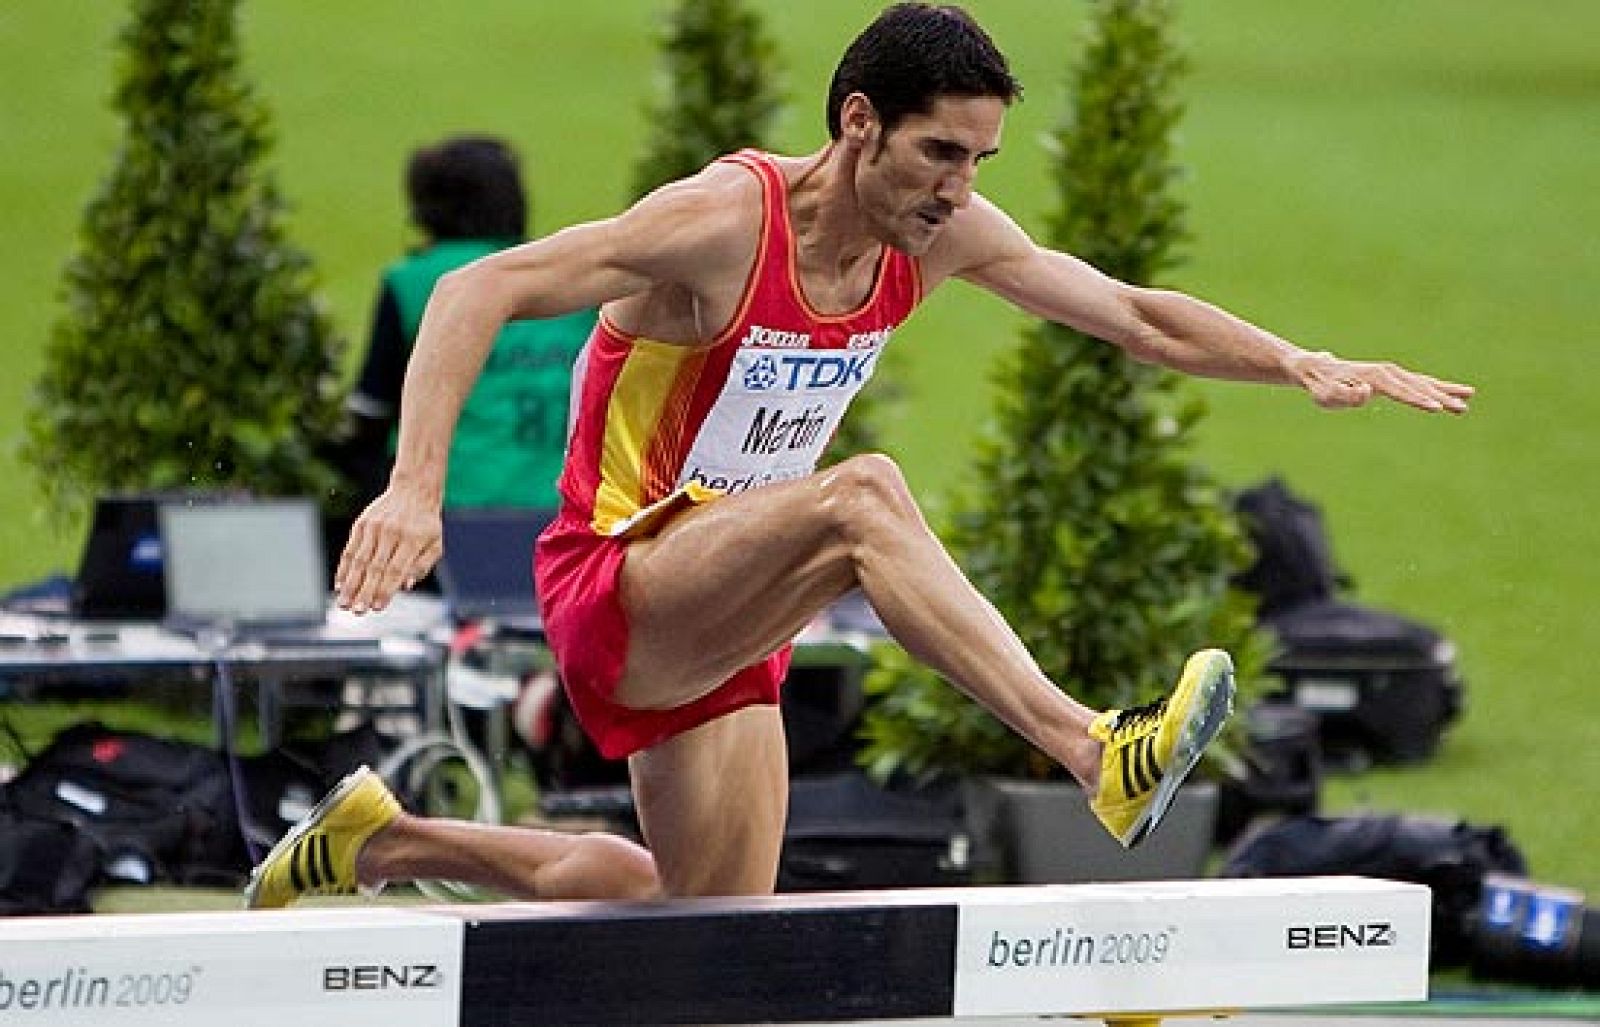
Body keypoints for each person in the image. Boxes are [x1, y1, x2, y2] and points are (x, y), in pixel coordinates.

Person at [246, 3, 1473, 907]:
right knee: (864, 496)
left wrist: (1300, 359)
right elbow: (478, 286)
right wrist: (414, 488)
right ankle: (1094, 748)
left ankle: (386, 841)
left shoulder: (936, 236)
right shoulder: (723, 224)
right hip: (617, 579)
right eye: (941, 153)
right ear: (857, 123)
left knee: (705, 925)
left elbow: (1135, 315)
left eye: (981, 160)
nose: (960, 188)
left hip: (732, 599)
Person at [336, 134, 595, 511]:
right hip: (562, 505)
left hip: (451, 502)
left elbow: (371, 408)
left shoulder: (413, 280)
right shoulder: (565, 274)